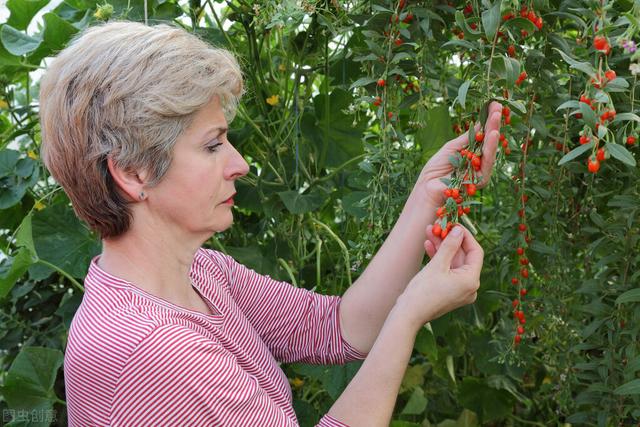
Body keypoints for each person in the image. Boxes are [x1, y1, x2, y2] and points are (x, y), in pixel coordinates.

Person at [38, 20, 502, 427]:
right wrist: (409, 316)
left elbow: (336, 327)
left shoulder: (200, 272)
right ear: (134, 172)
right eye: (213, 145)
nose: (239, 163)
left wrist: (427, 194)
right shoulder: (151, 349)